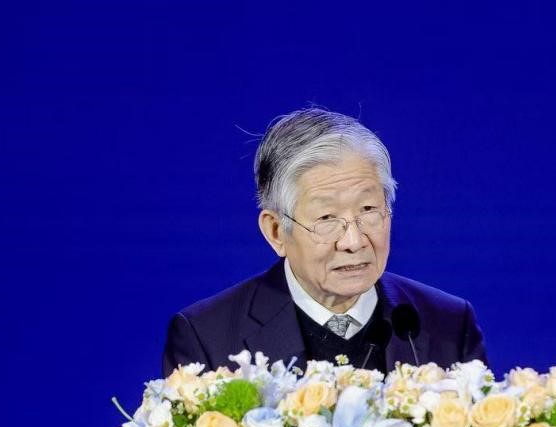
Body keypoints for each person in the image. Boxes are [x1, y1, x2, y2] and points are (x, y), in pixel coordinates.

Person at [161, 107, 487, 375]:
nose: (353, 241)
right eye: (327, 218)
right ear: (275, 231)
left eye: (368, 210)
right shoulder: (208, 337)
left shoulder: (448, 323)